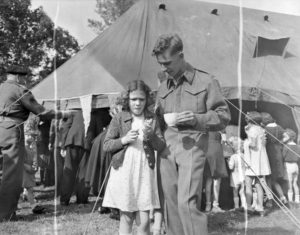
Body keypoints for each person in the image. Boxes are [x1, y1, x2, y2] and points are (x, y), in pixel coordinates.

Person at [153, 34, 230, 235]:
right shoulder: (162, 86)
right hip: (166, 149)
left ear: (181, 55)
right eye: (160, 63)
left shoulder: (206, 81)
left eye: (167, 62)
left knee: (186, 202)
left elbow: (223, 116)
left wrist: (197, 119)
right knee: (171, 202)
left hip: (193, 144)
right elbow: (159, 119)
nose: (163, 68)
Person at [0, 65, 73, 221]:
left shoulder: (1, 88)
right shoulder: (20, 90)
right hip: (13, 130)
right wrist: (64, 113)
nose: (25, 81)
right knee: (12, 174)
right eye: (25, 78)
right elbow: (42, 112)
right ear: (19, 77)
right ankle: (6, 214)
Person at [102, 80, 166, 235]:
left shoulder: (152, 118)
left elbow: (161, 146)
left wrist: (151, 135)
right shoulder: (119, 117)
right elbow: (106, 145)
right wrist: (123, 140)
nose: (137, 103)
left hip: (144, 169)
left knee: (144, 220)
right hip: (125, 170)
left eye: (141, 99)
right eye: (133, 99)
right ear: (127, 100)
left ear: (147, 100)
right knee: (127, 216)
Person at [243, 111, 271, 216]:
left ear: (249, 120)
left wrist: (245, 143)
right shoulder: (261, 129)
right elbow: (262, 144)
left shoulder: (252, 130)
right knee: (259, 185)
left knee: (248, 184)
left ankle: (249, 207)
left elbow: (253, 145)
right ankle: (260, 208)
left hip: (253, 160)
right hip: (261, 160)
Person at [261, 112, 287, 205]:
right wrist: (280, 142)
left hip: (269, 152)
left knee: (268, 177)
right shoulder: (279, 127)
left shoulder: (265, 129)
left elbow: (263, 141)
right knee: (274, 178)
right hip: (278, 152)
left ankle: (270, 200)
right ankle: (282, 197)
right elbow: (286, 136)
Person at [203, 131, 228, 213]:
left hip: (207, 150)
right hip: (217, 150)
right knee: (217, 180)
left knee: (208, 179)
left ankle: (208, 204)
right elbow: (224, 142)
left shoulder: (205, 127)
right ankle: (215, 204)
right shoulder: (220, 127)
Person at [227, 136, 246, 210]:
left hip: (235, 177)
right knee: (242, 191)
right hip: (243, 176)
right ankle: (244, 205)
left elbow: (231, 167)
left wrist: (228, 162)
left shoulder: (233, 157)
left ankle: (236, 206)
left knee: (235, 192)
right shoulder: (244, 155)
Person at [282, 128, 300, 204]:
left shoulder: (286, 146)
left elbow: (283, 156)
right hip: (295, 166)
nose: (283, 138)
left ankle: (290, 200)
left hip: (288, 166)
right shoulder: (297, 146)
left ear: (289, 137)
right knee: (295, 183)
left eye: (284, 137)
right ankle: (297, 199)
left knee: (289, 183)